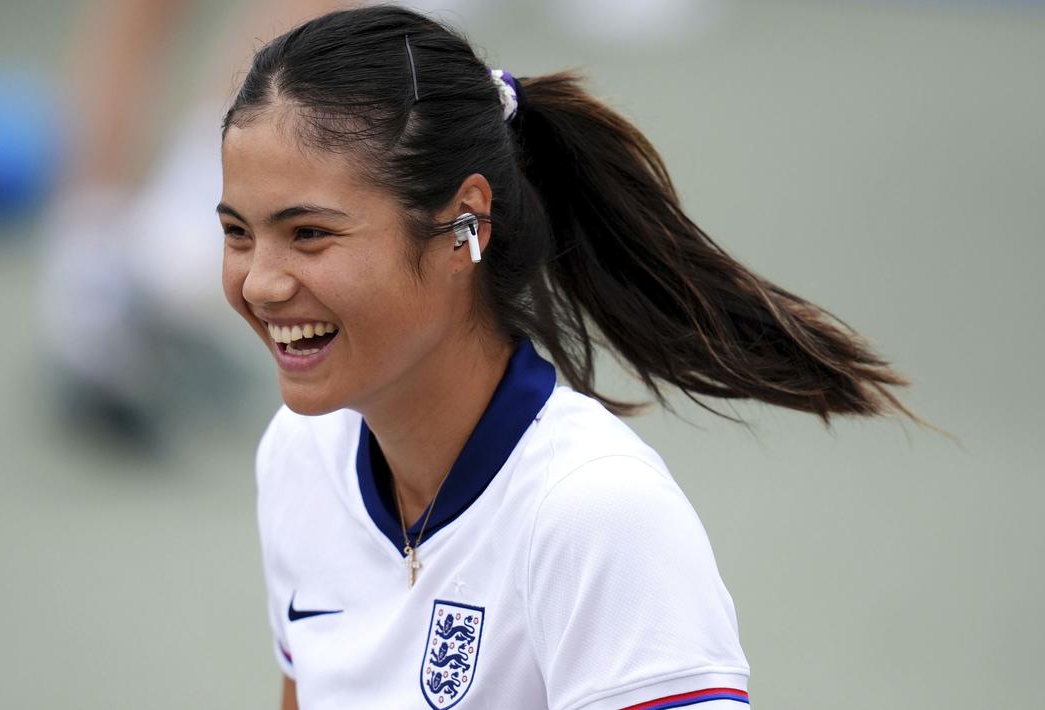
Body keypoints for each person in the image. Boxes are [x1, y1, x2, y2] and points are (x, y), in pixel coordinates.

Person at [219, 6, 940, 709]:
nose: (260, 282)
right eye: (238, 233)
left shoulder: (593, 513)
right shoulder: (300, 453)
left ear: (462, 224)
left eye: (309, 233)